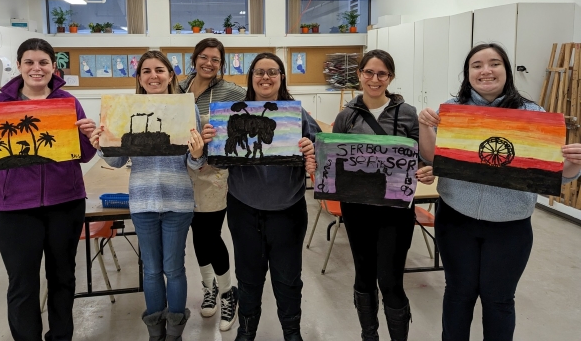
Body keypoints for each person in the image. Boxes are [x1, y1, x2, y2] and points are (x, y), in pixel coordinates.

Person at [418, 43, 581, 341]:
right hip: (456, 219)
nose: (486, 71)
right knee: (458, 294)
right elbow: (432, 159)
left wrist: (572, 163)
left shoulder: (533, 114)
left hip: (510, 226)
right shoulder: (453, 110)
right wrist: (425, 127)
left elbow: (561, 176)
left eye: (494, 64)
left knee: (499, 300)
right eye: (477, 65)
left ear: (506, 70)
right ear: (468, 73)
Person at [0, 38, 98, 341]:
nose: (36, 68)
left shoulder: (67, 102)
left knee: (63, 278)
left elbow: (81, 154)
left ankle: (61, 337)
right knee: (23, 284)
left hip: (65, 204)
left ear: (54, 66)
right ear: (19, 65)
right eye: (29, 62)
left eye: (43, 62)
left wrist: (89, 138)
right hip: (13, 210)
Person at [199, 52, 319, 341]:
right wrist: (206, 142)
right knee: (249, 277)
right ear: (251, 78)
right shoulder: (232, 115)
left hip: (288, 209)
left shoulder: (296, 114)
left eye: (272, 72)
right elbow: (214, 159)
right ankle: (247, 331)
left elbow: (320, 153)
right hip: (244, 209)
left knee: (288, 279)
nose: (266, 77)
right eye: (259, 72)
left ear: (281, 77)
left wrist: (311, 150)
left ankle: (292, 333)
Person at [90, 51, 204, 341]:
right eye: (146, 71)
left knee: (174, 268)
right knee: (152, 270)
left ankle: (175, 332)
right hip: (142, 200)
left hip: (178, 199)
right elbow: (116, 162)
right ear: (139, 78)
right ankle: (156, 332)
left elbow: (195, 164)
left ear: (170, 75)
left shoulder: (187, 110)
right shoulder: (127, 110)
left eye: (160, 70)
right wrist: (101, 145)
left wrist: (198, 153)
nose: (154, 76)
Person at [331, 49, 434, 341]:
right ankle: (369, 336)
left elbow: (422, 157)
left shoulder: (407, 114)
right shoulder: (346, 117)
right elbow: (333, 160)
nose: (374, 79)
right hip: (357, 208)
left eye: (382, 74)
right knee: (363, 276)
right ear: (360, 74)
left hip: (395, 210)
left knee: (390, 281)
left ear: (390, 78)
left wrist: (426, 168)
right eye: (368, 72)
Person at [178, 38, 246, 331]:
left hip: (213, 174)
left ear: (221, 64)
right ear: (194, 59)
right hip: (182, 172)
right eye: (203, 57)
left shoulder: (230, 90)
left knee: (210, 234)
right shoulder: (178, 89)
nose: (208, 63)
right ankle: (210, 288)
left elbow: (252, 110)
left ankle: (229, 292)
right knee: (197, 232)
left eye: (215, 60)